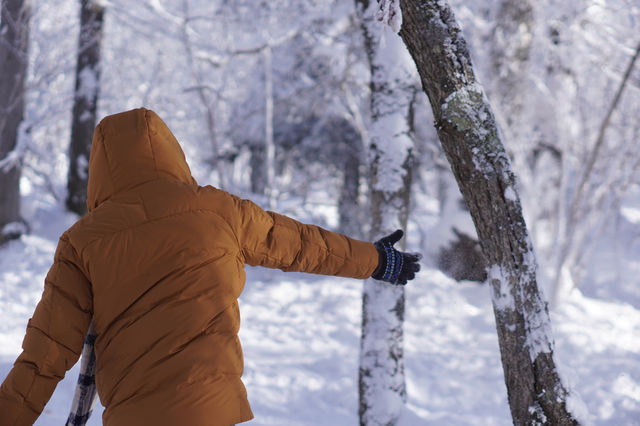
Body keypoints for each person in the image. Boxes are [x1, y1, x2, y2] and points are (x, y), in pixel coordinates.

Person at [0, 108, 421, 426]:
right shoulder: (219, 211)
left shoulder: (84, 241)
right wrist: (377, 260)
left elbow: (45, 355)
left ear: (101, 170)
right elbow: (300, 245)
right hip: (216, 410)